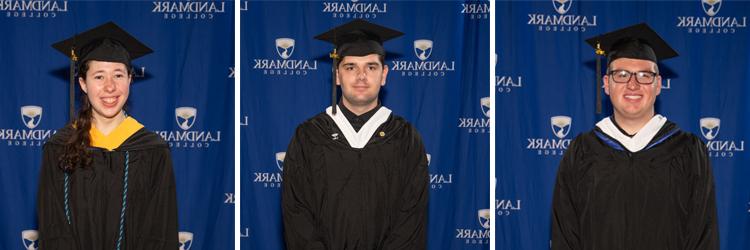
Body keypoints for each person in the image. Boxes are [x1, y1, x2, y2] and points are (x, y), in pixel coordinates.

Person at [550, 23, 719, 250]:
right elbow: (565, 237)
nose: (633, 84)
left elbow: (703, 237)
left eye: (644, 75)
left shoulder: (688, 151)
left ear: (658, 85)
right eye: (621, 74)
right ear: (606, 84)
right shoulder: (581, 152)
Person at [281, 19, 429, 249]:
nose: (361, 76)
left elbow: (411, 221)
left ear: (384, 74)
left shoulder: (406, 139)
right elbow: (297, 214)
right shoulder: (309, 136)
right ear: (337, 75)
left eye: (371, 67)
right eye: (350, 67)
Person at [37, 22, 178, 250]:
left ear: (130, 79)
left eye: (118, 75)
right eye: (99, 77)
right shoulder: (58, 148)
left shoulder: (153, 150)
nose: (110, 87)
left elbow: (160, 232)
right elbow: (54, 230)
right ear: (83, 83)